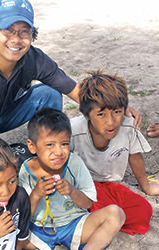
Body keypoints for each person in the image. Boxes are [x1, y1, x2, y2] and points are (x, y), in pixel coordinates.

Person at [0, 0, 140, 201]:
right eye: (8, 30)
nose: (16, 39)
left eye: (24, 31)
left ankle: (45, 153)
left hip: (10, 111)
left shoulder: (33, 58)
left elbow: (73, 89)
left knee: (50, 93)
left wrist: (114, 106)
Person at [18, 107, 125, 250]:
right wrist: (36, 194)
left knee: (115, 213)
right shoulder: (26, 169)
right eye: (50, 145)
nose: (58, 152)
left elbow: (87, 204)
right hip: (39, 229)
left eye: (64, 144)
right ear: (32, 146)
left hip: (74, 224)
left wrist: (72, 191)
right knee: (15, 239)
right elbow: (23, 215)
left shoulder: (74, 163)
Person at [70, 70, 159, 236]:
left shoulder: (127, 127)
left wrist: (146, 186)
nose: (110, 122)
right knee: (88, 204)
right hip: (83, 185)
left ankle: (102, 219)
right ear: (86, 114)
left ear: (124, 109)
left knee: (143, 212)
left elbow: (135, 155)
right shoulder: (73, 130)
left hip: (112, 185)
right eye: (101, 114)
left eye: (117, 112)